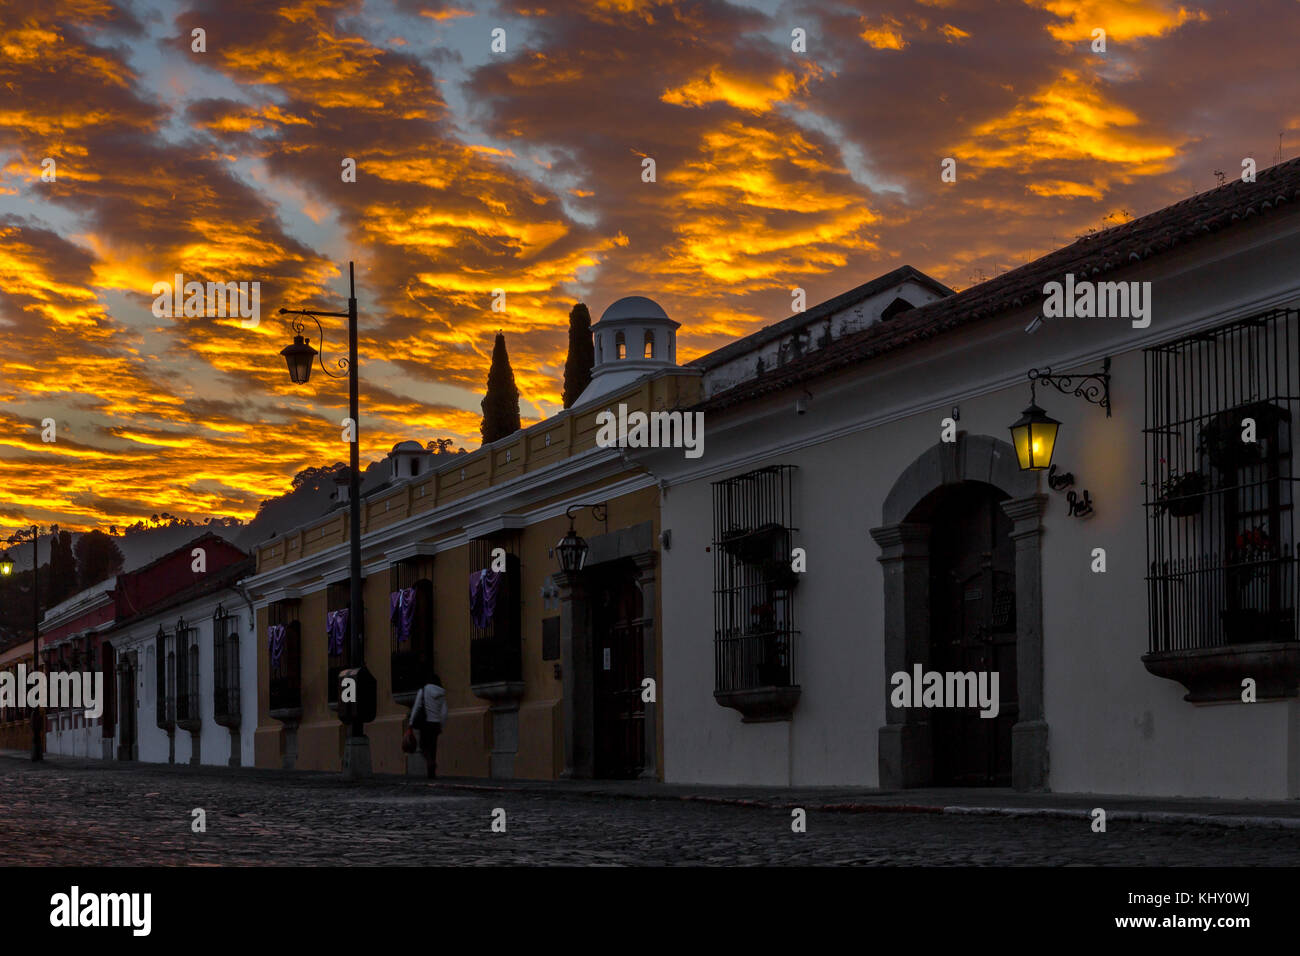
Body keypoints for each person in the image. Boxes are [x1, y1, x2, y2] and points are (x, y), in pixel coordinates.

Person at [410, 671, 447, 779]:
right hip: (436, 724)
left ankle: (430, 763)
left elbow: (416, 707)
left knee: (423, 747)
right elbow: (444, 711)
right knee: (433, 747)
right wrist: (441, 725)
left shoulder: (424, 690)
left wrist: (411, 723)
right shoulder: (441, 693)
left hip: (426, 723)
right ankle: (431, 773)